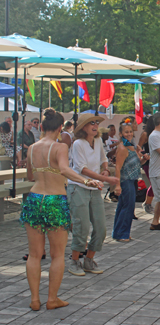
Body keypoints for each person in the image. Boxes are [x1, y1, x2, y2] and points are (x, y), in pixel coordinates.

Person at [21, 109, 101, 311]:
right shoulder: (60, 147)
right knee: (57, 255)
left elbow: (30, 177)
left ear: (41, 127)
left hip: (34, 198)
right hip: (55, 200)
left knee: (34, 254)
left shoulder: (32, 148)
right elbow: (65, 169)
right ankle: (52, 299)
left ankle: (34, 299)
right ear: (59, 128)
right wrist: (86, 181)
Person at [67, 114, 120, 276]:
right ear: (83, 127)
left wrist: (104, 168)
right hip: (79, 187)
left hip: (94, 188)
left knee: (100, 227)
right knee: (81, 226)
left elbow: (103, 159)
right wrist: (105, 177)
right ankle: (74, 261)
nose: (95, 125)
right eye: (91, 123)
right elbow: (81, 169)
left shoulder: (97, 142)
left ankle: (89, 260)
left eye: (96, 123)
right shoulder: (78, 144)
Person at [112, 123, 149, 242]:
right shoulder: (122, 148)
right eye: (126, 132)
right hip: (125, 180)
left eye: (130, 131)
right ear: (121, 134)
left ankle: (119, 232)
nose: (129, 134)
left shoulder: (132, 146)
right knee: (127, 207)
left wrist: (144, 159)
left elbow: (138, 164)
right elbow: (118, 167)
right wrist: (117, 185)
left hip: (133, 179)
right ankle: (122, 233)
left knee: (124, 206)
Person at [139, 118, 156, 214]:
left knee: (155, 184)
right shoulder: (145, 134)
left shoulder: (158, 134)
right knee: (153, 183)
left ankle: (148, 202)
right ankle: (147, 203)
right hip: (147, 162)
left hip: (155, 162)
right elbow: (138, 148)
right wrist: (145, 155)